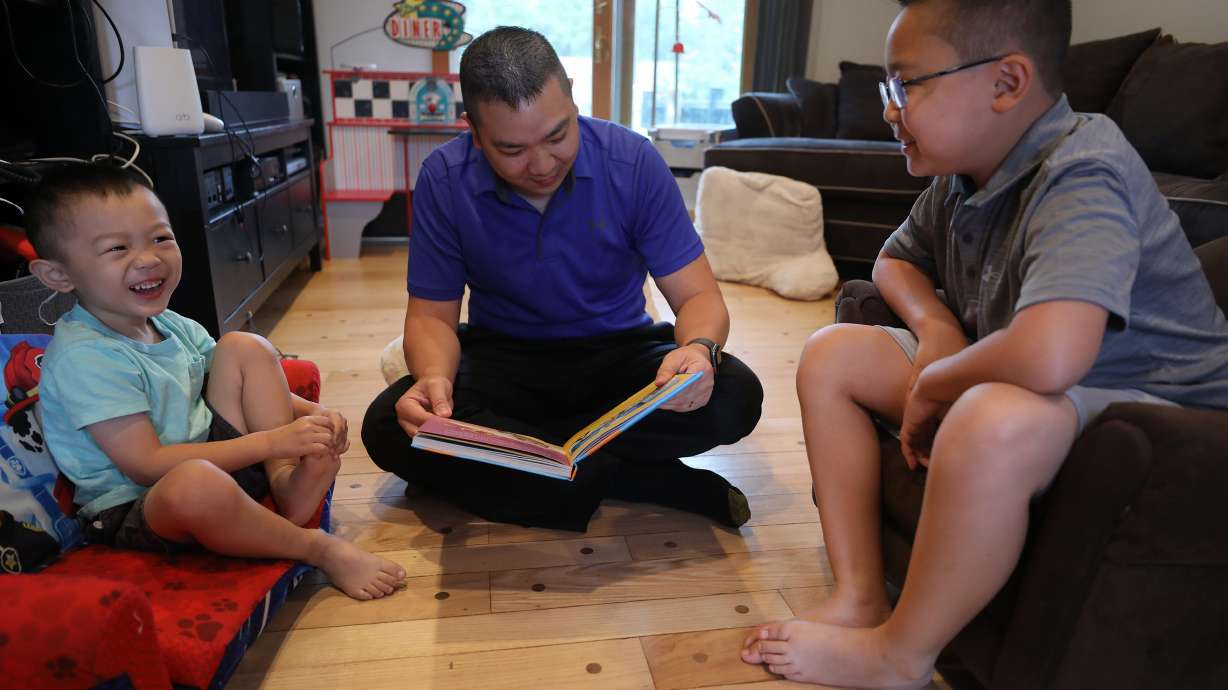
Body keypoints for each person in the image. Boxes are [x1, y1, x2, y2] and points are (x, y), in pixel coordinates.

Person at [741, 0, 1228, 686]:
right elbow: (894, 262)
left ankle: (900, 656)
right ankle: (860, 595)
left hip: (1159, 411)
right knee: (832, 353)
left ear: (1006, 83)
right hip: (1057, 390)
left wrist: (938, 382)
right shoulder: (963, 173)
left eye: (906, 85)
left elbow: (1053, 354)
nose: (889, 108)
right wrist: (937, 330)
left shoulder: (1085, 169)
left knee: (988, 417)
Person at [362, 27, 764, 532]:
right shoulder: (445, 178)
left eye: (557, 135)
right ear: (472, 129)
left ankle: (535, 465)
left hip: (619, 356)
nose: (542, 164)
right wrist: (434, 381)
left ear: (572, 94)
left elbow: (700, 296)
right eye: (511, 149)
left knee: (735, 394)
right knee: (388, 426)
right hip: (505, 359)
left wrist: (699, 350)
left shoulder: (633, 163)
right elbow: (431, 317)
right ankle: (642, 480)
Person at [26, 163, 406, 600]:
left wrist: (314, 418)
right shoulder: (84, 356)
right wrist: (274, 442)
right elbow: (146, 465)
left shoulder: (168, 323)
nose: (149, 258)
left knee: (245, 346)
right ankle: (315, 547)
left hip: (215, 457)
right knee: (195, 482)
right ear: (59, 275)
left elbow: (227, 381)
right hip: (142, 504)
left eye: (160, 238)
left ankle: (284, 484)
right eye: (117, 248)